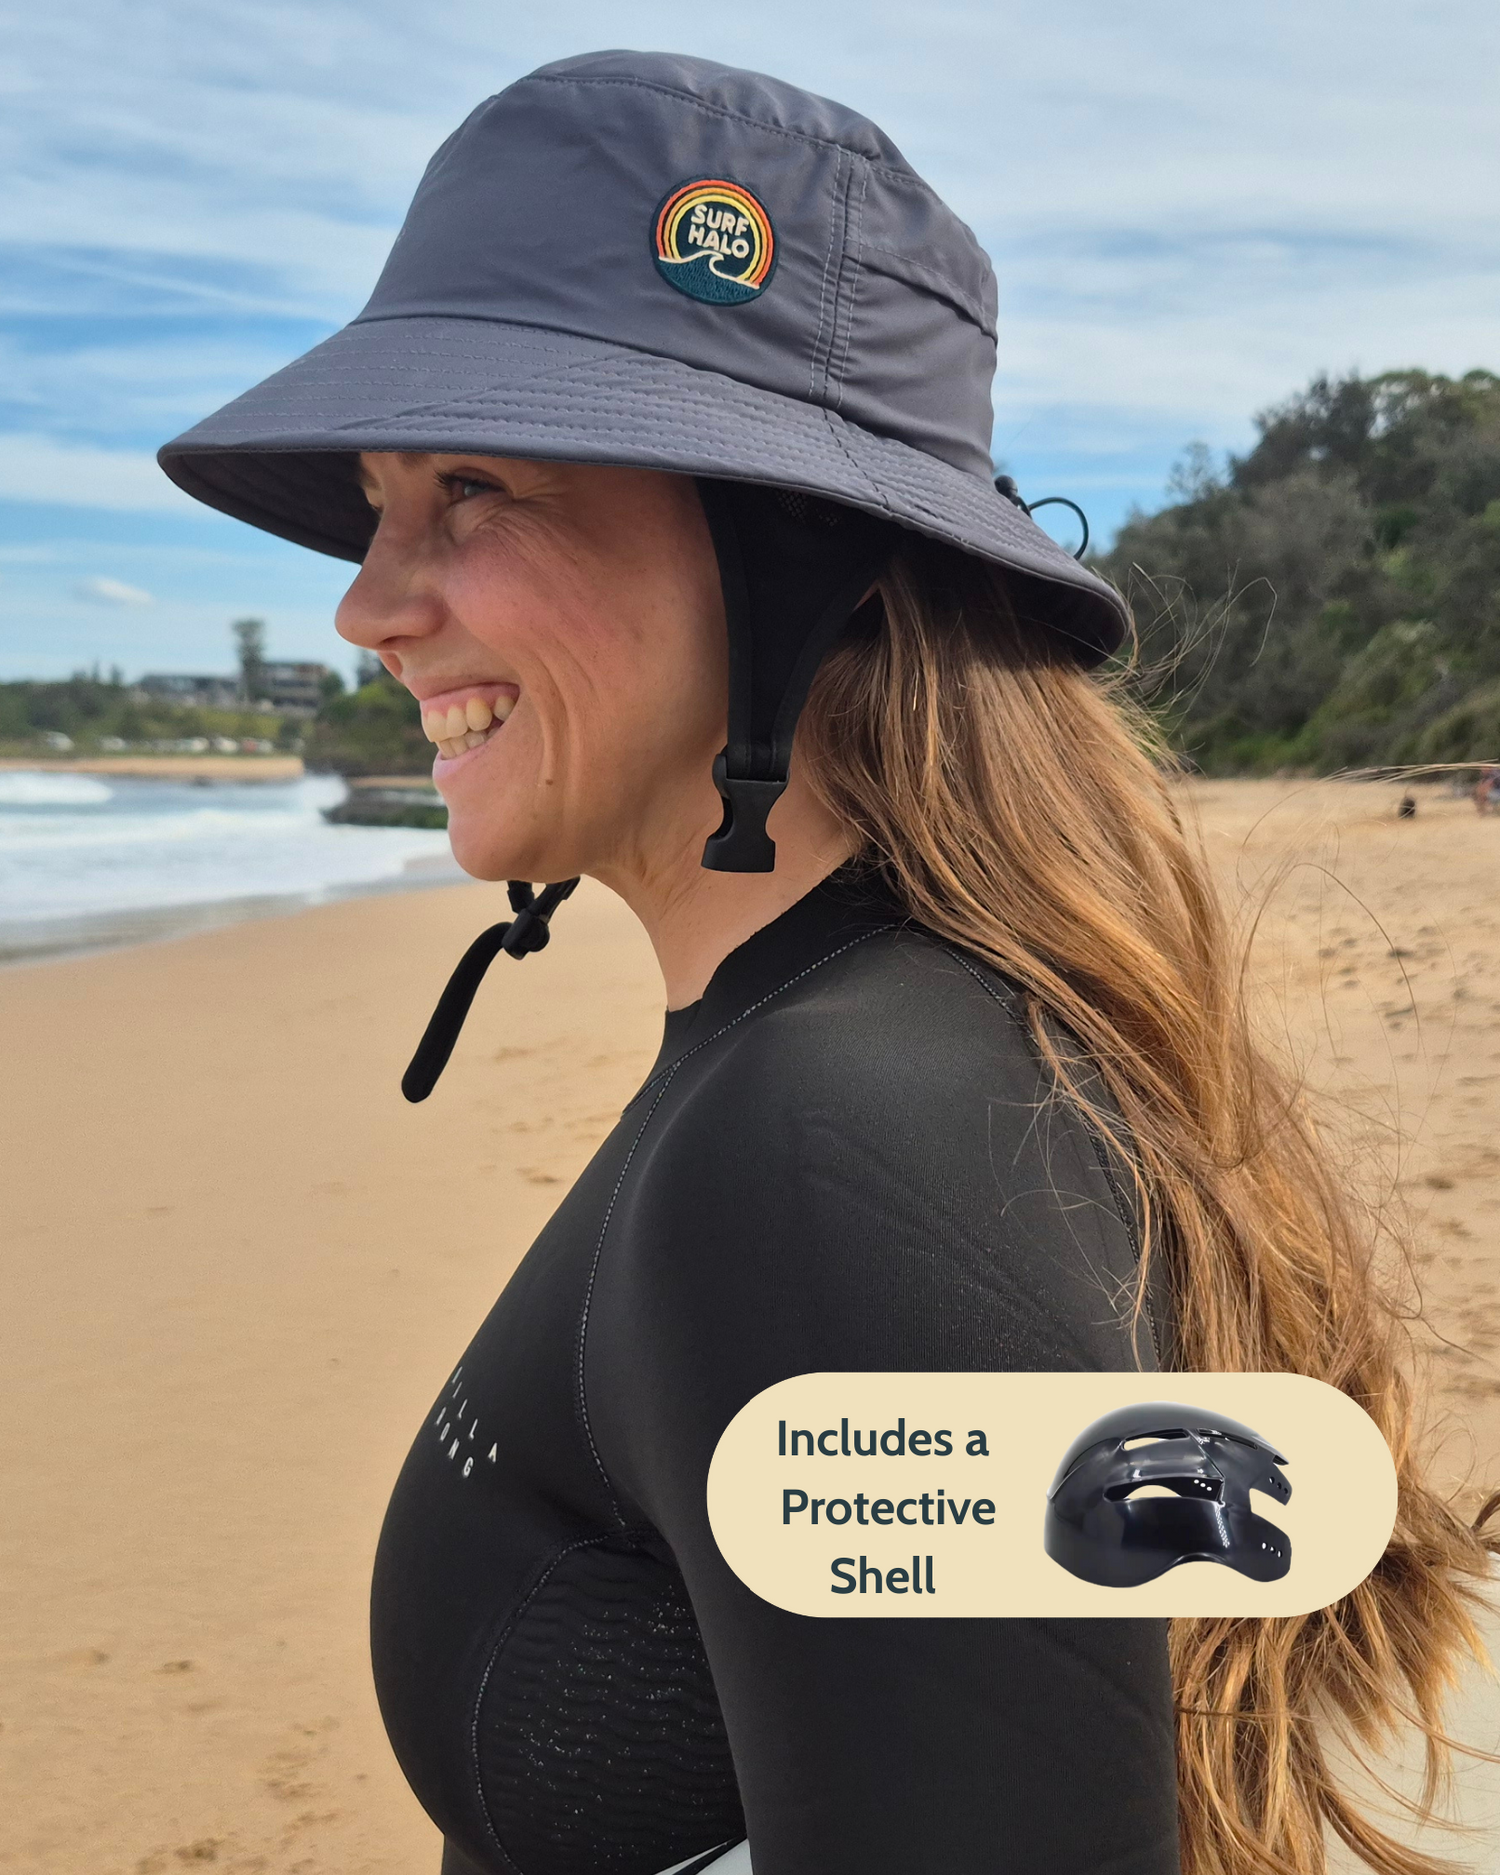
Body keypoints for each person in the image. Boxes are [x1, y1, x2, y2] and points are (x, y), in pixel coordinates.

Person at [158, 51, 1497, 1875]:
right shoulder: (847, 1056)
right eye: (384, 503)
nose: (370, 601)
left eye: (471, 486)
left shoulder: (842, 1137)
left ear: (801, 552)